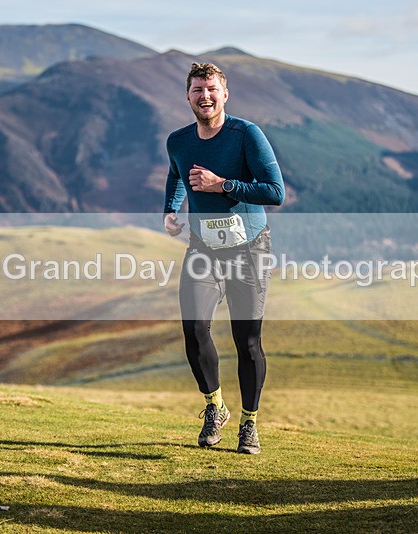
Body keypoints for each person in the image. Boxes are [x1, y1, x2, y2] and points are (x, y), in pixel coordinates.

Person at [163, 62, 285, 454]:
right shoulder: (178, 141)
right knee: (194, 327)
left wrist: (223, 185)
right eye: (198, 90)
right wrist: (171, 208)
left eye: (212, 89)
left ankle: (249, 423)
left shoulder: (246, 135)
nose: (205, 96)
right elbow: (177, 174)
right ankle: (215, 407)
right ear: (188, 96)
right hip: (203, 248)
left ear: (225, 94)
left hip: (249, 249)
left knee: (246, 341)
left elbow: (275, 192)